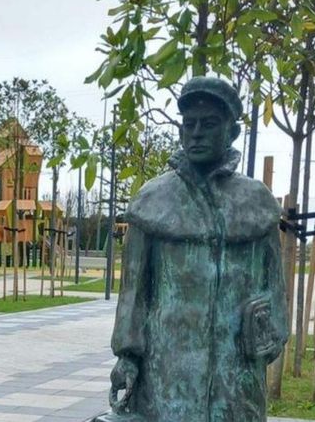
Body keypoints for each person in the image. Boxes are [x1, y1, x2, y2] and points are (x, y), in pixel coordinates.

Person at [98, 77, 287, 422]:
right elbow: (133, 291)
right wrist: (127, 356)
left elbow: (274, 283)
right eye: (189, 124)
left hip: (238, 368)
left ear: (231, 131)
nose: (196, 133)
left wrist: (269, 336)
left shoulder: (256, 202)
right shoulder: (153, 200)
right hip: (168, 367)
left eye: (209, 124)